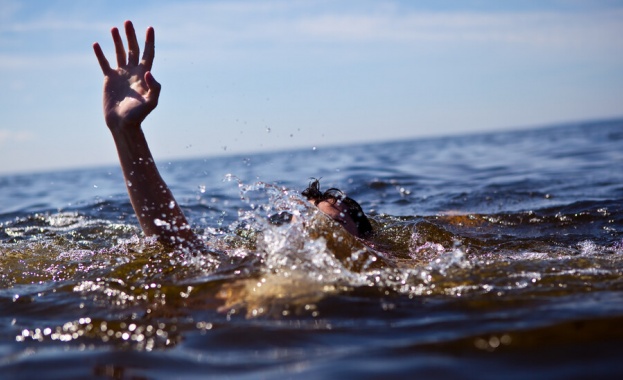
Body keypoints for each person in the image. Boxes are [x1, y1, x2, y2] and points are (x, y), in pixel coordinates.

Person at [93, 21, 373, 254]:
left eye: (331, 223)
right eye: (305, 221)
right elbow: (177, 246)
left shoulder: (380, 269)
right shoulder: (255, 266)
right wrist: (125, 132)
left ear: (367, 244)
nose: (312, 228)